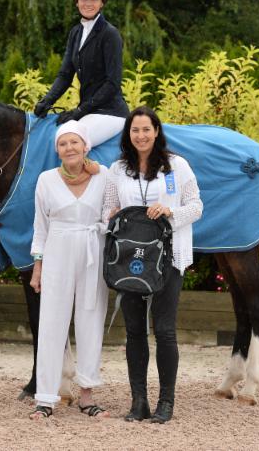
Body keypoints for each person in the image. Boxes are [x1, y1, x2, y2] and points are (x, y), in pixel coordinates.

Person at [102, 106, 203, 424]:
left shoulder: (176, 166)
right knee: (134, 331)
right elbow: (107, 209)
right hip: (130, 258)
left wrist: (171, 212)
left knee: (164, 330)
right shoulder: (118, 169)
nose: (141, 135)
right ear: (128, 134)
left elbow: (196, 206)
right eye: (135, 130)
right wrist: (112, 215)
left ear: (156, 131)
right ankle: (139, 402)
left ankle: (166, 403)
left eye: (146, 129)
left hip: (167, 256)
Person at [28, 120, 110, 420]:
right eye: (63, 143)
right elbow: (40, 227)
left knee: (91, 321)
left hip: (93, 251)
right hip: (57, 252)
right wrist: (38, 267)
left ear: (85, 146)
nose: (69, 147)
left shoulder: (104, 176)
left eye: (74, 142)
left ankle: (87, 397)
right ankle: (45, 399)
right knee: (51, 324)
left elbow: (111, 215)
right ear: (57, 150)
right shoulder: (46, 180)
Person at [33, 0, 129, 147]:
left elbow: (112, 83)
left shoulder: (110, 34)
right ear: (77, 1)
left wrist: (80, 110)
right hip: (88, 111)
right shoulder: (75, 33)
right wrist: (47, 100)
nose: (88, 3)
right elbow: (65, 75)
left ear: (102, 3)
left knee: (71, 142)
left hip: (110, 113)